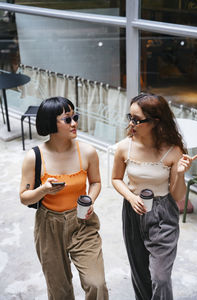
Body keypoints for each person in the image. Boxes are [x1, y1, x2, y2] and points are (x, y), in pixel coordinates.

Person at [19, 96, 109, 300]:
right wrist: (44, 190)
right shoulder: (34, 157)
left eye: (74, 116)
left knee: (97, 283)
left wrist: (90, 201)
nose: (75, 123)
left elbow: (96, 182)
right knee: (59, 290)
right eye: (67, 119)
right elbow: (24, 197)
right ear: (51, 123)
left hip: (82, 223)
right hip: (48, 226)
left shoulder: (87, 152)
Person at [111, 93, 197, 300]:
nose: (131, 123)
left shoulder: (173, 150)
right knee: (139, 272)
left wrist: (180, 173)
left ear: (155, 121)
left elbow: (178, 195)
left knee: (160, 277)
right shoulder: (125, 146)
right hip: (133, 212)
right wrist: (131, 198)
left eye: (137, 119)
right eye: (129, 117)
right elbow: (116, 179)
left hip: (163, 214)